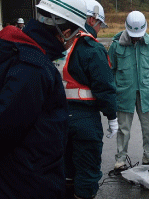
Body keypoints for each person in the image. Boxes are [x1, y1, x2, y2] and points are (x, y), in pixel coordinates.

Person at [0, 0, 88, 198]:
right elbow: (6, 126)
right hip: (26, 182)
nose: (75, 40)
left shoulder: (22, 50)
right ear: (66, 32)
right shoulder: (34, 68)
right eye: (76, 35)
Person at [53, 0, 118, 198]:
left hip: (57, 116)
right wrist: (112, 117)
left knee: (64, 167)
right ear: (91, 19)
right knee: (87, 169)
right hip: (84, 118)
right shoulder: (92, 48)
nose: (98, 29)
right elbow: (105, 88)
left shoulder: (57, 42)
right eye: (99, 24)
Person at [108, 11, 149, 170]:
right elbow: (111, 68)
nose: (136, 38)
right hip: (125, 92)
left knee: (148, 126)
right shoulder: (116, 45)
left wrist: (145, 81)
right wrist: (120, 84)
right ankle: (121, 159)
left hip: (145, 91)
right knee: (124, 128)